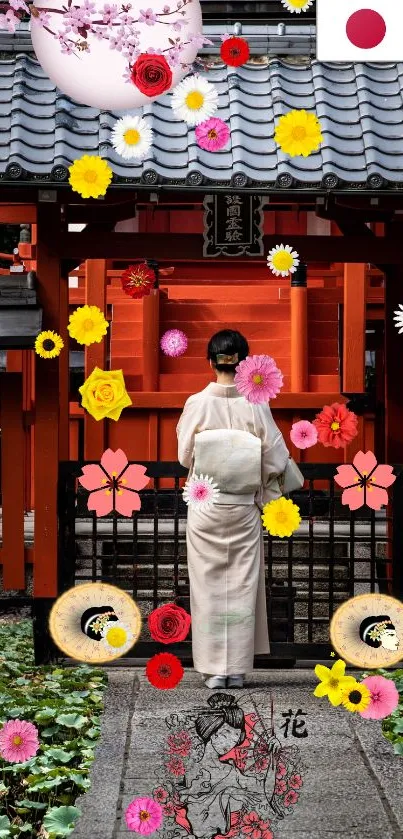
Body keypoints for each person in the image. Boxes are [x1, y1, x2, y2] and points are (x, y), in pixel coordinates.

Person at [176, 330, 290, 690]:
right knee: (242, 583)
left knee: (208, 585)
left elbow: (183, 457)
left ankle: (213, 670)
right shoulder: (256, 404)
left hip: (207, 503)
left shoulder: (197, 402)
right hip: (241, 506)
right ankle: (236, 669)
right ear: (244, 363)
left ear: (210, 362)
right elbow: (275, 457)